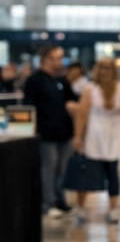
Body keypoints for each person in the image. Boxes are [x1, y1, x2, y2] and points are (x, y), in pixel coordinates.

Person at [68, 58, 120, 225]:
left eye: (108, 68)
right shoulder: (90, 89)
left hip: (114, 136)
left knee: (113, 174)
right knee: (86, 174)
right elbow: (82, 113)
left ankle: (113, 209)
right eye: (102, 68)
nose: (105, 72)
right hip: (95, 137)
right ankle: (81, 208)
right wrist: (78, 136)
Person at [23, 46, 75, 218]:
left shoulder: (61, 80)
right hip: (46, 134)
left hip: (64, 133)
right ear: (46, 60)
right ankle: (48, 203)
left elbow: (73, 101)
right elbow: (28, 108)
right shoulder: (35, 81)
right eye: (57, 58)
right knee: (48, 169)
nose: (62, 62)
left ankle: (60, 199)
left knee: (62, 170)